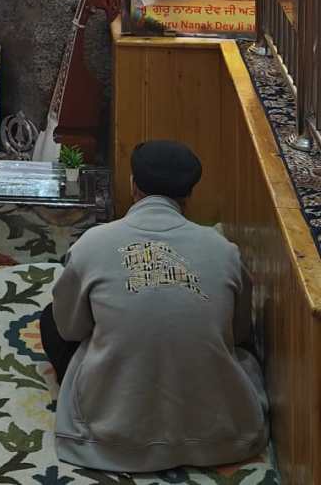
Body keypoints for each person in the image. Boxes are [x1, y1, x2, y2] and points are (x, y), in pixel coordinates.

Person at [39, 140, 269, 474]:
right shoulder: (224, 251)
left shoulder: (93, 243)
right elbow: (239, 334)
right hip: (223, 436)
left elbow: (70, 329)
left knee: (51, 319)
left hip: (110, 438)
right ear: (190, 194)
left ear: (133, 185)